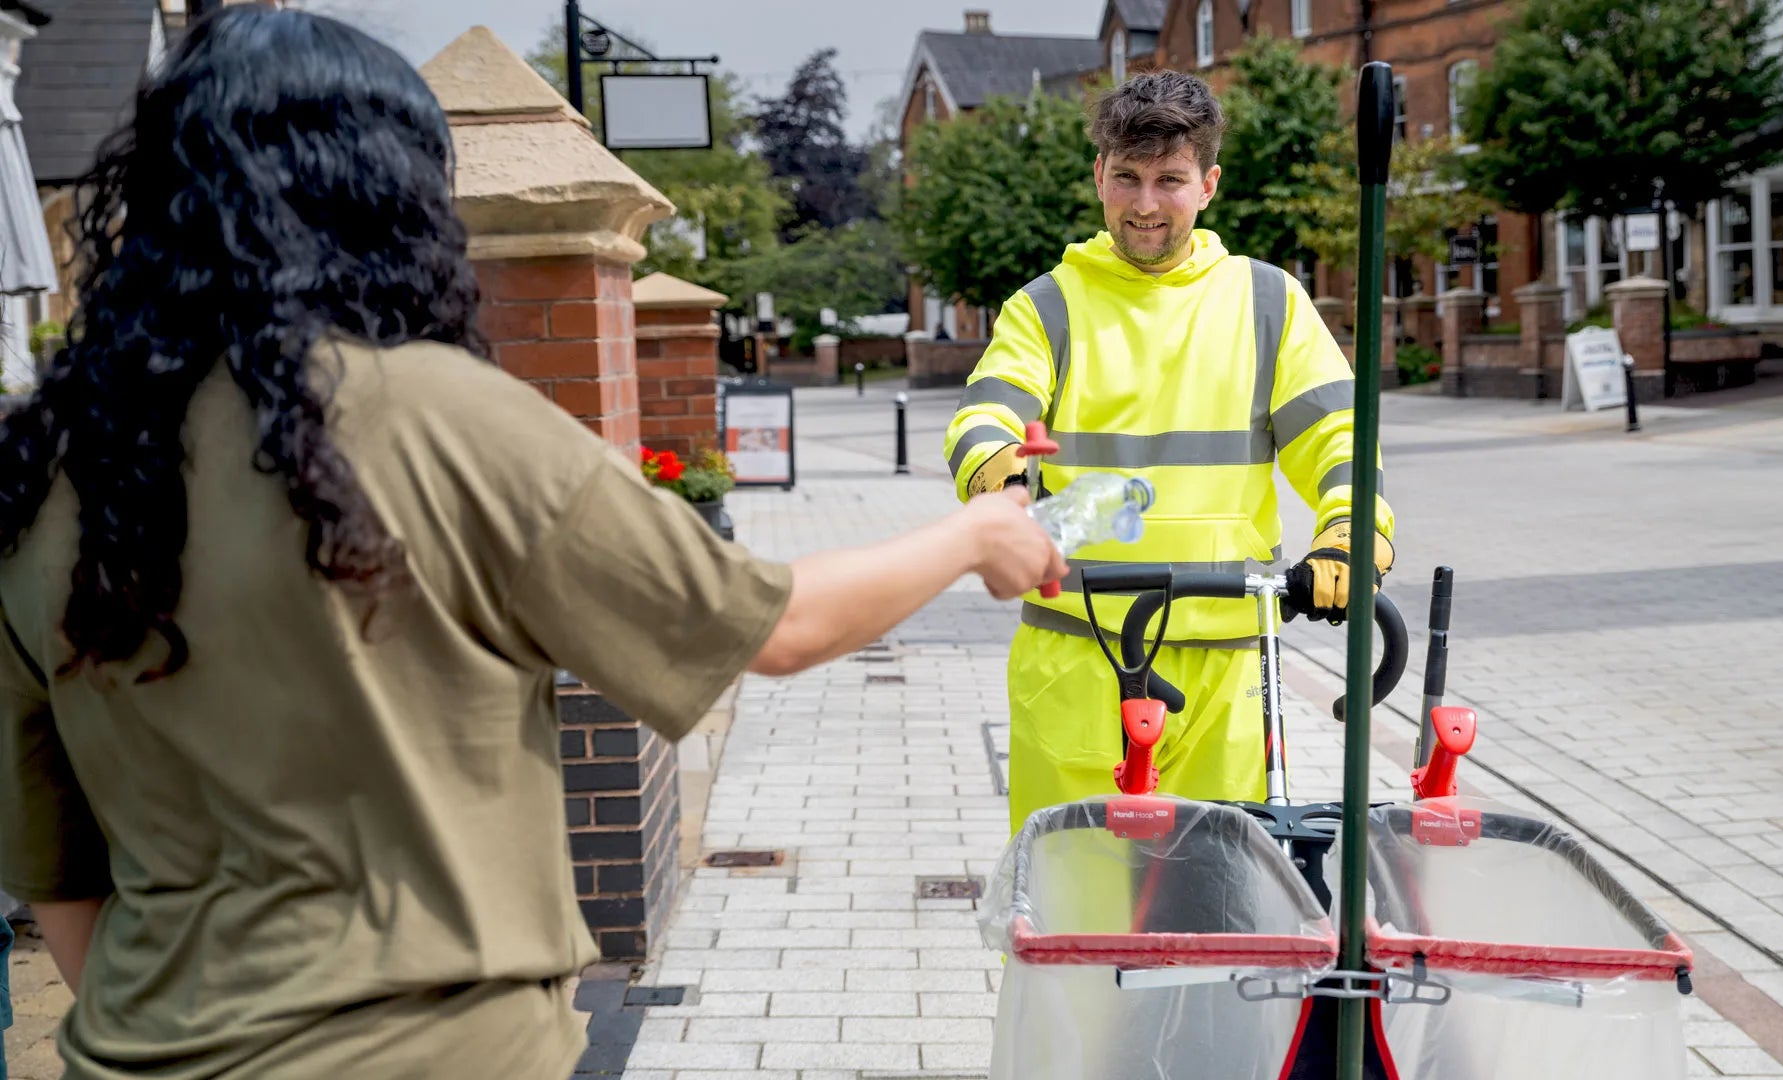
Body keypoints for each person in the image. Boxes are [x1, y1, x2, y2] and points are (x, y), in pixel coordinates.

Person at [0, 8, 1063, 1079]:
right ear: (389, 197)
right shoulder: (448, 423)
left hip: (142, 1051)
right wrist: (975, 533)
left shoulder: (45, 476)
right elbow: (775, 627)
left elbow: (60, 881)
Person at [943, 71, 1397, 834]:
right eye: (1126, 178)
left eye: (1170, 180)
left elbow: (1338, 436)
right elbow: (985, 414)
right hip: (1078, 655)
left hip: (1229, 664)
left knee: (1216, 914)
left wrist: (1349, 534)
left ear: (1208, 184)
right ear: (1099, 177)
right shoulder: (1047, 306)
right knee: (1070, 914)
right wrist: (1002, 477)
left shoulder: (1268, 303)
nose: (1145, 204)